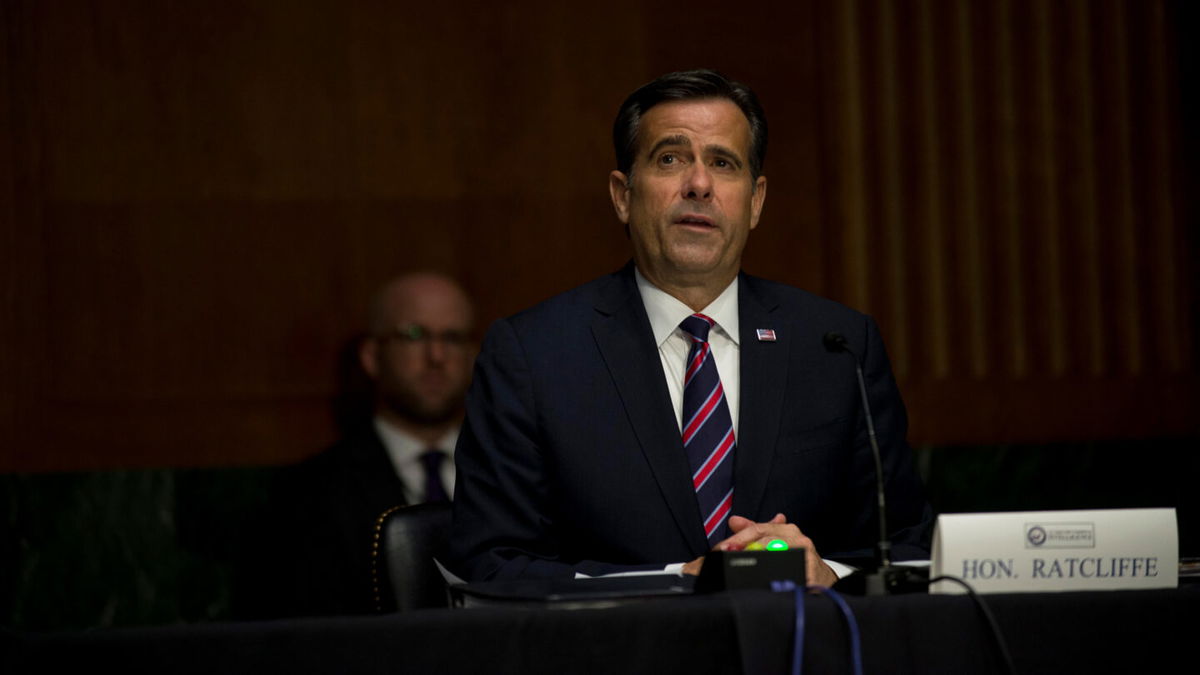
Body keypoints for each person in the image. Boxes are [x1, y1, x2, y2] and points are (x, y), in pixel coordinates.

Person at [446, 70, 932, 588]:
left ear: (756, 201)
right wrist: (676, 579)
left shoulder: (836, 346)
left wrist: (828, 572)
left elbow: (908, 546)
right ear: (623, 195)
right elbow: (489, 563)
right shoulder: (534, 354)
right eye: (670, 159)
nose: (699, 184)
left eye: (723, 163)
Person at [251, 272, 475, 617]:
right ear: (372, 356)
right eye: (415, 335)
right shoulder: (308, 493)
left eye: (453, 337)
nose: (437, 355)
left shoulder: (522, 477)